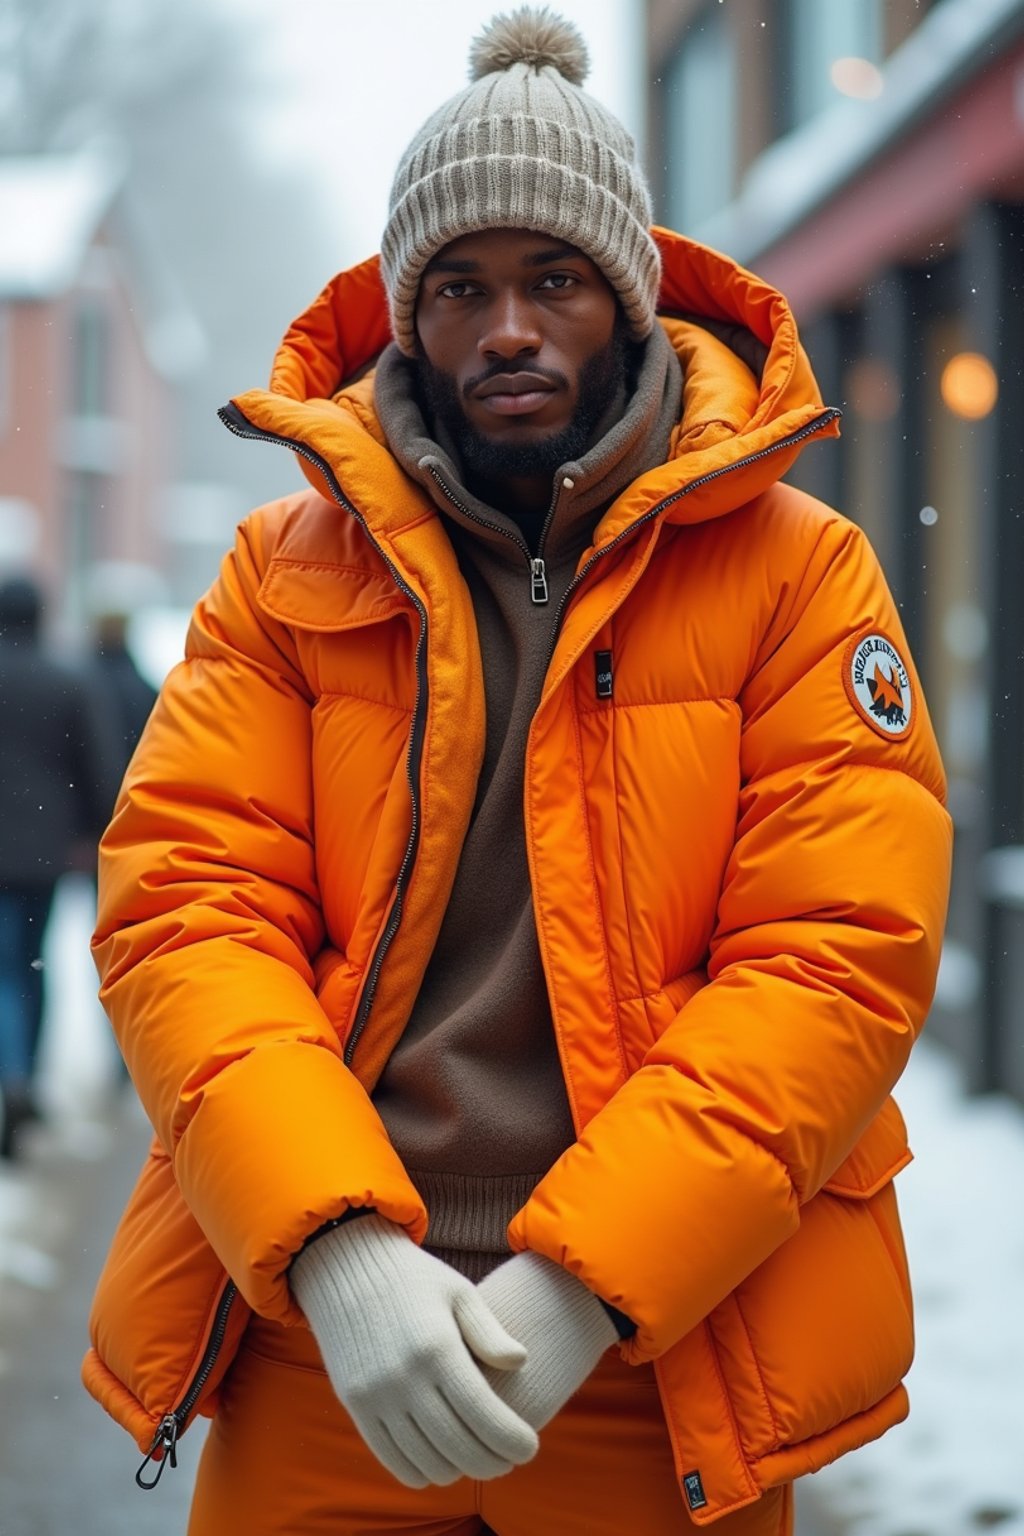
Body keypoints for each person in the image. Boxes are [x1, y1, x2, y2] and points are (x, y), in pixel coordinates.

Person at [82, 9, 952, 1534]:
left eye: (555, 281)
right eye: (463, 287)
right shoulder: (277, 574)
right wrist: (338, 1253)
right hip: (332, 1348)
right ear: (408, 316)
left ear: (624, 298)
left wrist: (588, 1284)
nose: (508, 331)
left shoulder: (803, 576)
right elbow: (186, 911)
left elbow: (835, 961)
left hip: (662, 1347)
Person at [0, 575, 120, 1157]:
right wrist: (91, 831)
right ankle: (22, 1078)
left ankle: (12, 1075)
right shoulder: (67, 680)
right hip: (42, 854)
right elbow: (100, 765)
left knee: (5, 969)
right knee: (27, 966)